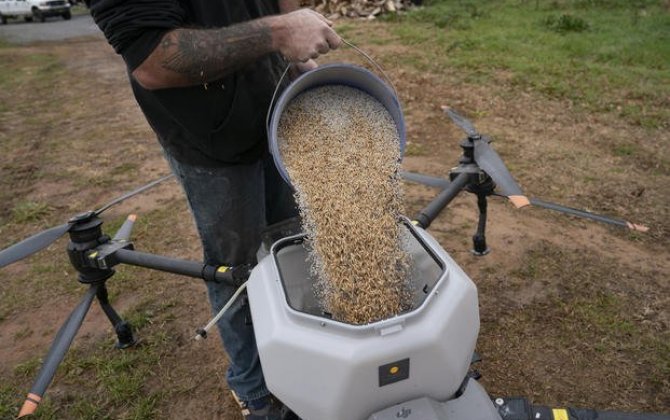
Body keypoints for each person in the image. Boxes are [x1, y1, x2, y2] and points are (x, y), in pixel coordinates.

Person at [86, 1, 342, 418]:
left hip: (278, 109)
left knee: (292, 243)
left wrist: (296, 53)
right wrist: (278, 32)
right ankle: (254, 387)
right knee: (235, 268)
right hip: (211, 137)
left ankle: (303, 356)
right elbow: (153, 58)